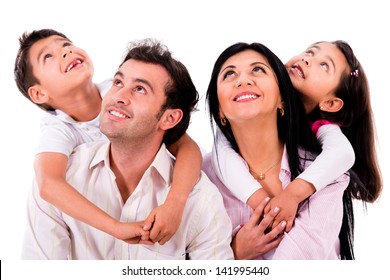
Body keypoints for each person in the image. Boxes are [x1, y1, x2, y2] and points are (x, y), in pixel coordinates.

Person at [22, 38, 234, 260]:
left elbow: (186, 146)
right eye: (118, 83)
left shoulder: (201, 201)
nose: (118, 96)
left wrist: (175, 202)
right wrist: (115, 227)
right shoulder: (59, 148)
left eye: (139, 89)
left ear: (169, 118)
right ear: (38, 94)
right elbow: (48, 185)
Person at [210, 40, 383, 259]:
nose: (307, 58)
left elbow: (343, 154)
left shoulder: (321, 135)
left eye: (324, 66)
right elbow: (220, 151)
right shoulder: (208, 170)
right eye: (310, 51)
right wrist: (235, 250)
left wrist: (292, 194)